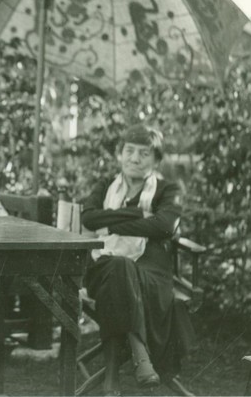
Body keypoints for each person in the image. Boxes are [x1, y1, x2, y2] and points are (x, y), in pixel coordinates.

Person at [80, 125, 194, 395]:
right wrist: (140, 217)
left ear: (156, 161)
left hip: (151, 271)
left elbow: (165, 226)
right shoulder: (106, 185)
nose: (134, 158)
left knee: (119, 275)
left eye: (144, 154)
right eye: (129, 151)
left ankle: (111, 376)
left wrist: (113, 223)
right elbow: (89, 218)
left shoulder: (168, 189)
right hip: (105, 264)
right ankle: (139, 352)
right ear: (120, 155)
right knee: (118, 266)